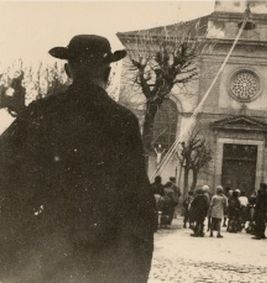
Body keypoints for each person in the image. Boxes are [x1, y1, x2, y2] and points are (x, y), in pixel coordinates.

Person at [0, 35, 156, 282]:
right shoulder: (123, 121)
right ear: (108, 73)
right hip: (101, 259)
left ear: (66, 70)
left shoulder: (39, 112)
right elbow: (137, 202)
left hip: (42, 258)